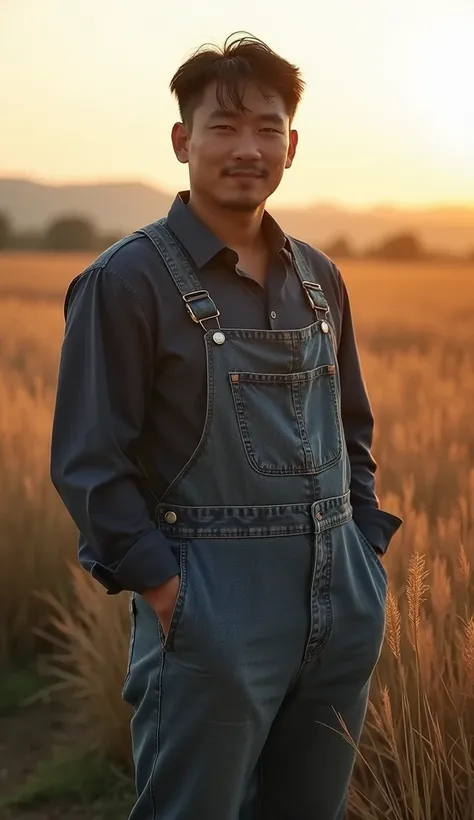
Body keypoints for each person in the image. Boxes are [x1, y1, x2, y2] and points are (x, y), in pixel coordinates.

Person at [50, 31, 402, 820]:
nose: (249, 148)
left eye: (268, 129)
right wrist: (171, 594)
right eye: (225, 126)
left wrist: (365, 553)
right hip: (211, 603)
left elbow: (352, 428)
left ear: (293, 145)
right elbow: (88, 462)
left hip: (341, 598)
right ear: (183, 140)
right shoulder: (125, 280)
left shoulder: (320, 277)